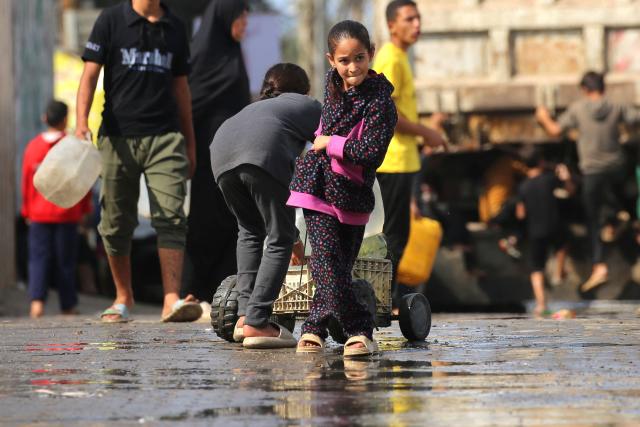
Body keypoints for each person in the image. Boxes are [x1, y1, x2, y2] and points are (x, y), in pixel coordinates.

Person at [76, 0, 201, 322]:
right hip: (117, 137)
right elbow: (89, 76)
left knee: (171, 216)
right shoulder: (110, 20)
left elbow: (181, 88)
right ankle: (122, 297)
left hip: (166, 137)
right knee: (115, 223)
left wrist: (190, 143)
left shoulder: (174, 26)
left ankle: (171, 298)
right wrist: (80, 125)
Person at [288, 20, 398, 357]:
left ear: (372, 54)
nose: (352, 68)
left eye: (360, 58)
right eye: (344, 61)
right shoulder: (332, 87)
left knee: (337, 267)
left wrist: (330, 142)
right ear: (331, 61)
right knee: (324, 261)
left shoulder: (382, 104)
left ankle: (315, 327)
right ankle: (360, 328)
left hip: (353, 194)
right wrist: (325, 145)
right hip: (317, 186)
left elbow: (371, 152)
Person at [211, 63, 322, 349]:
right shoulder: (306, 104)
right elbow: (327, 144)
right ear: (303, 90)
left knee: (249, 231)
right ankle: (258, 321)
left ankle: (243, 316)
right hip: (261, 154)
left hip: (221, 156)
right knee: (279, 238)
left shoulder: (254, 109)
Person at [373, 0, 447, 310]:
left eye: (418, 18)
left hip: (403, 159)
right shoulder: (390, 58)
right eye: (409, 19)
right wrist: (426, 132)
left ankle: (385, 299)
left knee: (397, 234)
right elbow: (385, 111)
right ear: (392, 25)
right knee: (392, 236)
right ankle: (381, 301)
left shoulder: (400, 57)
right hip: (392, 160)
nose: (417, 24)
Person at [536, 71, 640, 292]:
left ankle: (599, 267)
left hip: (592, 172)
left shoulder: (578, 109)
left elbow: (555, 131)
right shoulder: (616, 107)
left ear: (584, 89)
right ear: (603, 88)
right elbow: (636, 119)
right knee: (628, 207)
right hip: (617, 168)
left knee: (593, 219)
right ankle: (616, 219)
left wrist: (543, 116)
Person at [184, 0, 251, 302]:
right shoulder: (201, 55)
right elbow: (189, 102)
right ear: (225, 19)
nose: (245, 24)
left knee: (233, 216)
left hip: (234, 155)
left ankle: (226, 292)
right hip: (206, 153)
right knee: (205, 219)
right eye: (241, 17)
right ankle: (194, 289)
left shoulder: (234, 55)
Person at [21, 100, 93, 318]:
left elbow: (26, 181)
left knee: (38, 259)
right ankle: (68, 306)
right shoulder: (72, 147)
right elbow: (81, 180)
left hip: (38, 214)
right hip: (67, 213)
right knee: (65, 261)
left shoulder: (33, 147)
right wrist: (84, 210)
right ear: (65, 120)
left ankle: (37, 304)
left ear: (44, 118)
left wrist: (27, 211)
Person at [516, 147, 573, 317]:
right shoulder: (549, 179)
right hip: (553, 225)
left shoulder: (523, 186)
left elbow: (520, 213)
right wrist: (566, 177)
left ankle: (541, 305)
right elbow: (570, 191)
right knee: (562, 246)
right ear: (541, 161)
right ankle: (558, 273)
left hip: (535, 230)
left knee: (537, 268)